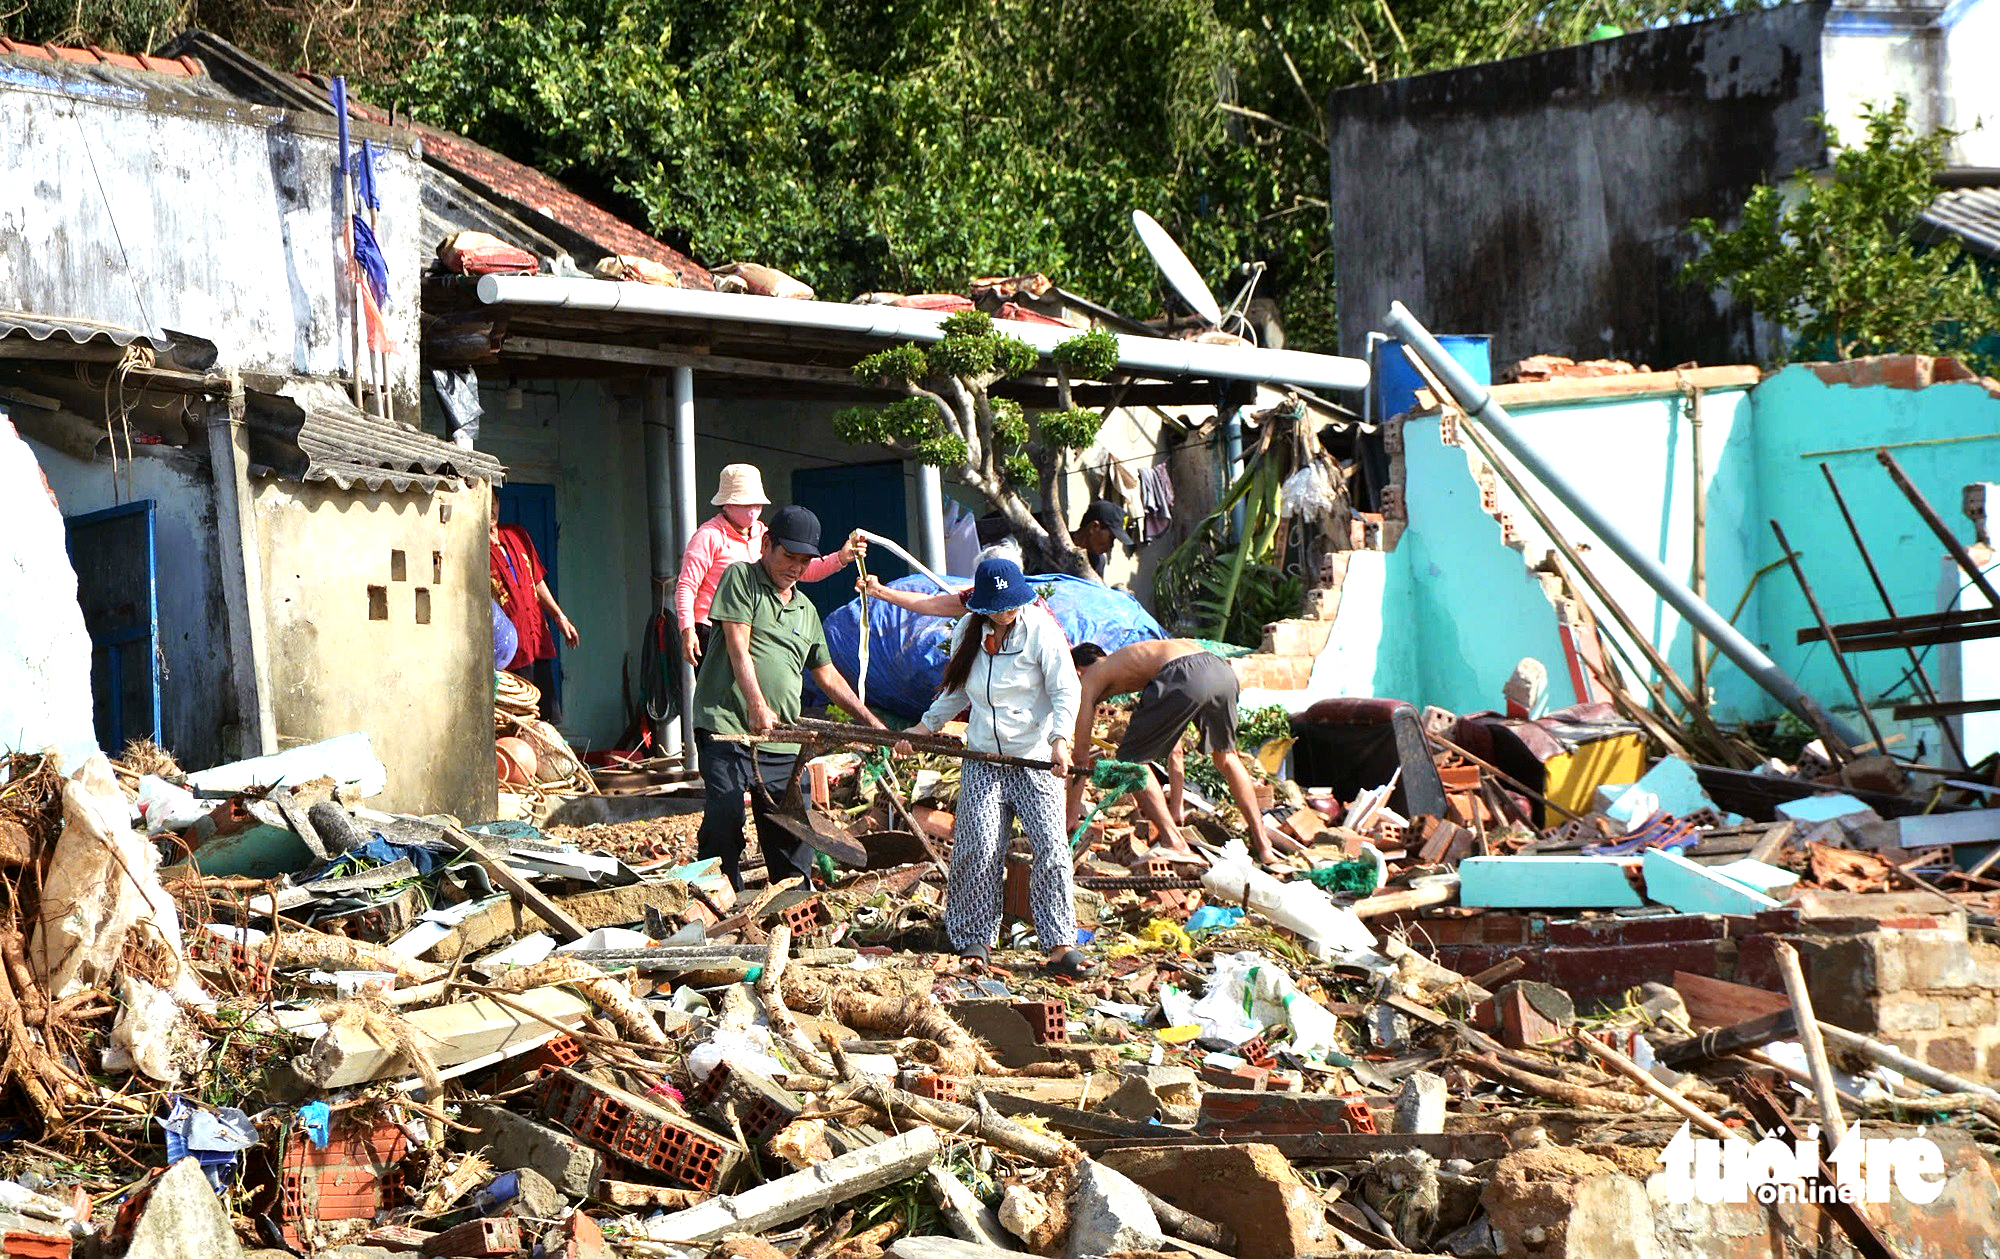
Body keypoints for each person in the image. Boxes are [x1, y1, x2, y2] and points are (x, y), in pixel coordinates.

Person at [894, 557, 1090, 977]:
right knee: (979, 848)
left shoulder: (1040, 630)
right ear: (981, 605)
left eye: (1011, 604)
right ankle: (974, 939)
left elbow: (1065, 689)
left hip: (1034, 757)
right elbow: (956, 691)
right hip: (984, 758)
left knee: (1052, 849)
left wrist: (1060, 741)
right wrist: (923, 728)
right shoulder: (968, 630)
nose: (1005, 612)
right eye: (997, 607)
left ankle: (1060, 945)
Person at [689, 505, 888, 891]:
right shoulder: (741, 579)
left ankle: (792, 901)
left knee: (793, 831)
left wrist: (872, 723)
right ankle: (714, 899)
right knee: (725, 814)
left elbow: (827, 676)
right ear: (766, 544)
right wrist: (756, 704)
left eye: (804, 561)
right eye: (789, 556)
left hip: (781, 740)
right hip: (727, 728)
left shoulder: (806, 610)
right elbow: (738, 645)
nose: (796, 568)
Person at [1066, 639, 1279, 868]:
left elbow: (1081, 757)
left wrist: (1071, 817)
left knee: (1129, 763)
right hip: (1221, 671)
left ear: (1077, 672)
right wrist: (1176, 805)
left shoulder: (1089, 679)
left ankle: (1173, 842)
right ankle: (1264, 845)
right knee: (1227, 757)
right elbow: (1175, 750)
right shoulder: (1130, 662)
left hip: (1183, 675)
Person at [675, 464, 866, 666]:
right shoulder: (708, 536)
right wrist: (687, 629)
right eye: (745, 504)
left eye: (757, 504)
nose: (752, 511)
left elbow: (799, 570)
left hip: (756, 627)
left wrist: (840, 558)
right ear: (726, 504)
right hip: (713, 629)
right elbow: (687, 585)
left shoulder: (762, 533)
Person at [490, 493, 578, 724]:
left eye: (494, 503)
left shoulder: (517, 535)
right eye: (485, 504)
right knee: (518, 722)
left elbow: (537, 581)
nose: (491, 510)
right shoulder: (477, 549)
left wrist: (559, 617)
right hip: (509, 653)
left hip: (536, 641)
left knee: (546, 718)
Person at [1071, 499, 1133, 579]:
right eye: (1111, 538)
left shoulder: (1098, 561)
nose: (1111, 546)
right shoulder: (1056, 544)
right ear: (1094, 527)